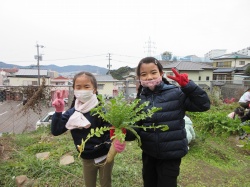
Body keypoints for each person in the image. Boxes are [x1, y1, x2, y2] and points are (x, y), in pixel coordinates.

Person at [124, 57, 210, 187]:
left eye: (153, 72)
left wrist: (189, 87)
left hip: (171, 154)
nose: (149, 77)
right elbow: (137, 128)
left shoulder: (176, 93)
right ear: (139, 78)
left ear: (161, 73)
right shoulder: (140, 99)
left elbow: (203, 105)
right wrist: (123, 131)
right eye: (144, 74)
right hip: (149, 153)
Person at [51, 72, 120, 187]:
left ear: (94, 89)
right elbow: (56, 130)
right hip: (87, 158)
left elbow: (110, 132)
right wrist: (58, 111)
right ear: (74, 89)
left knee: (106, 183)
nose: (82, 90)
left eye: (86, 86)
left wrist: (111, 147)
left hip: (104, 157)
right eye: (78, 87)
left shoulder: (101, 111)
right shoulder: (72, 112)